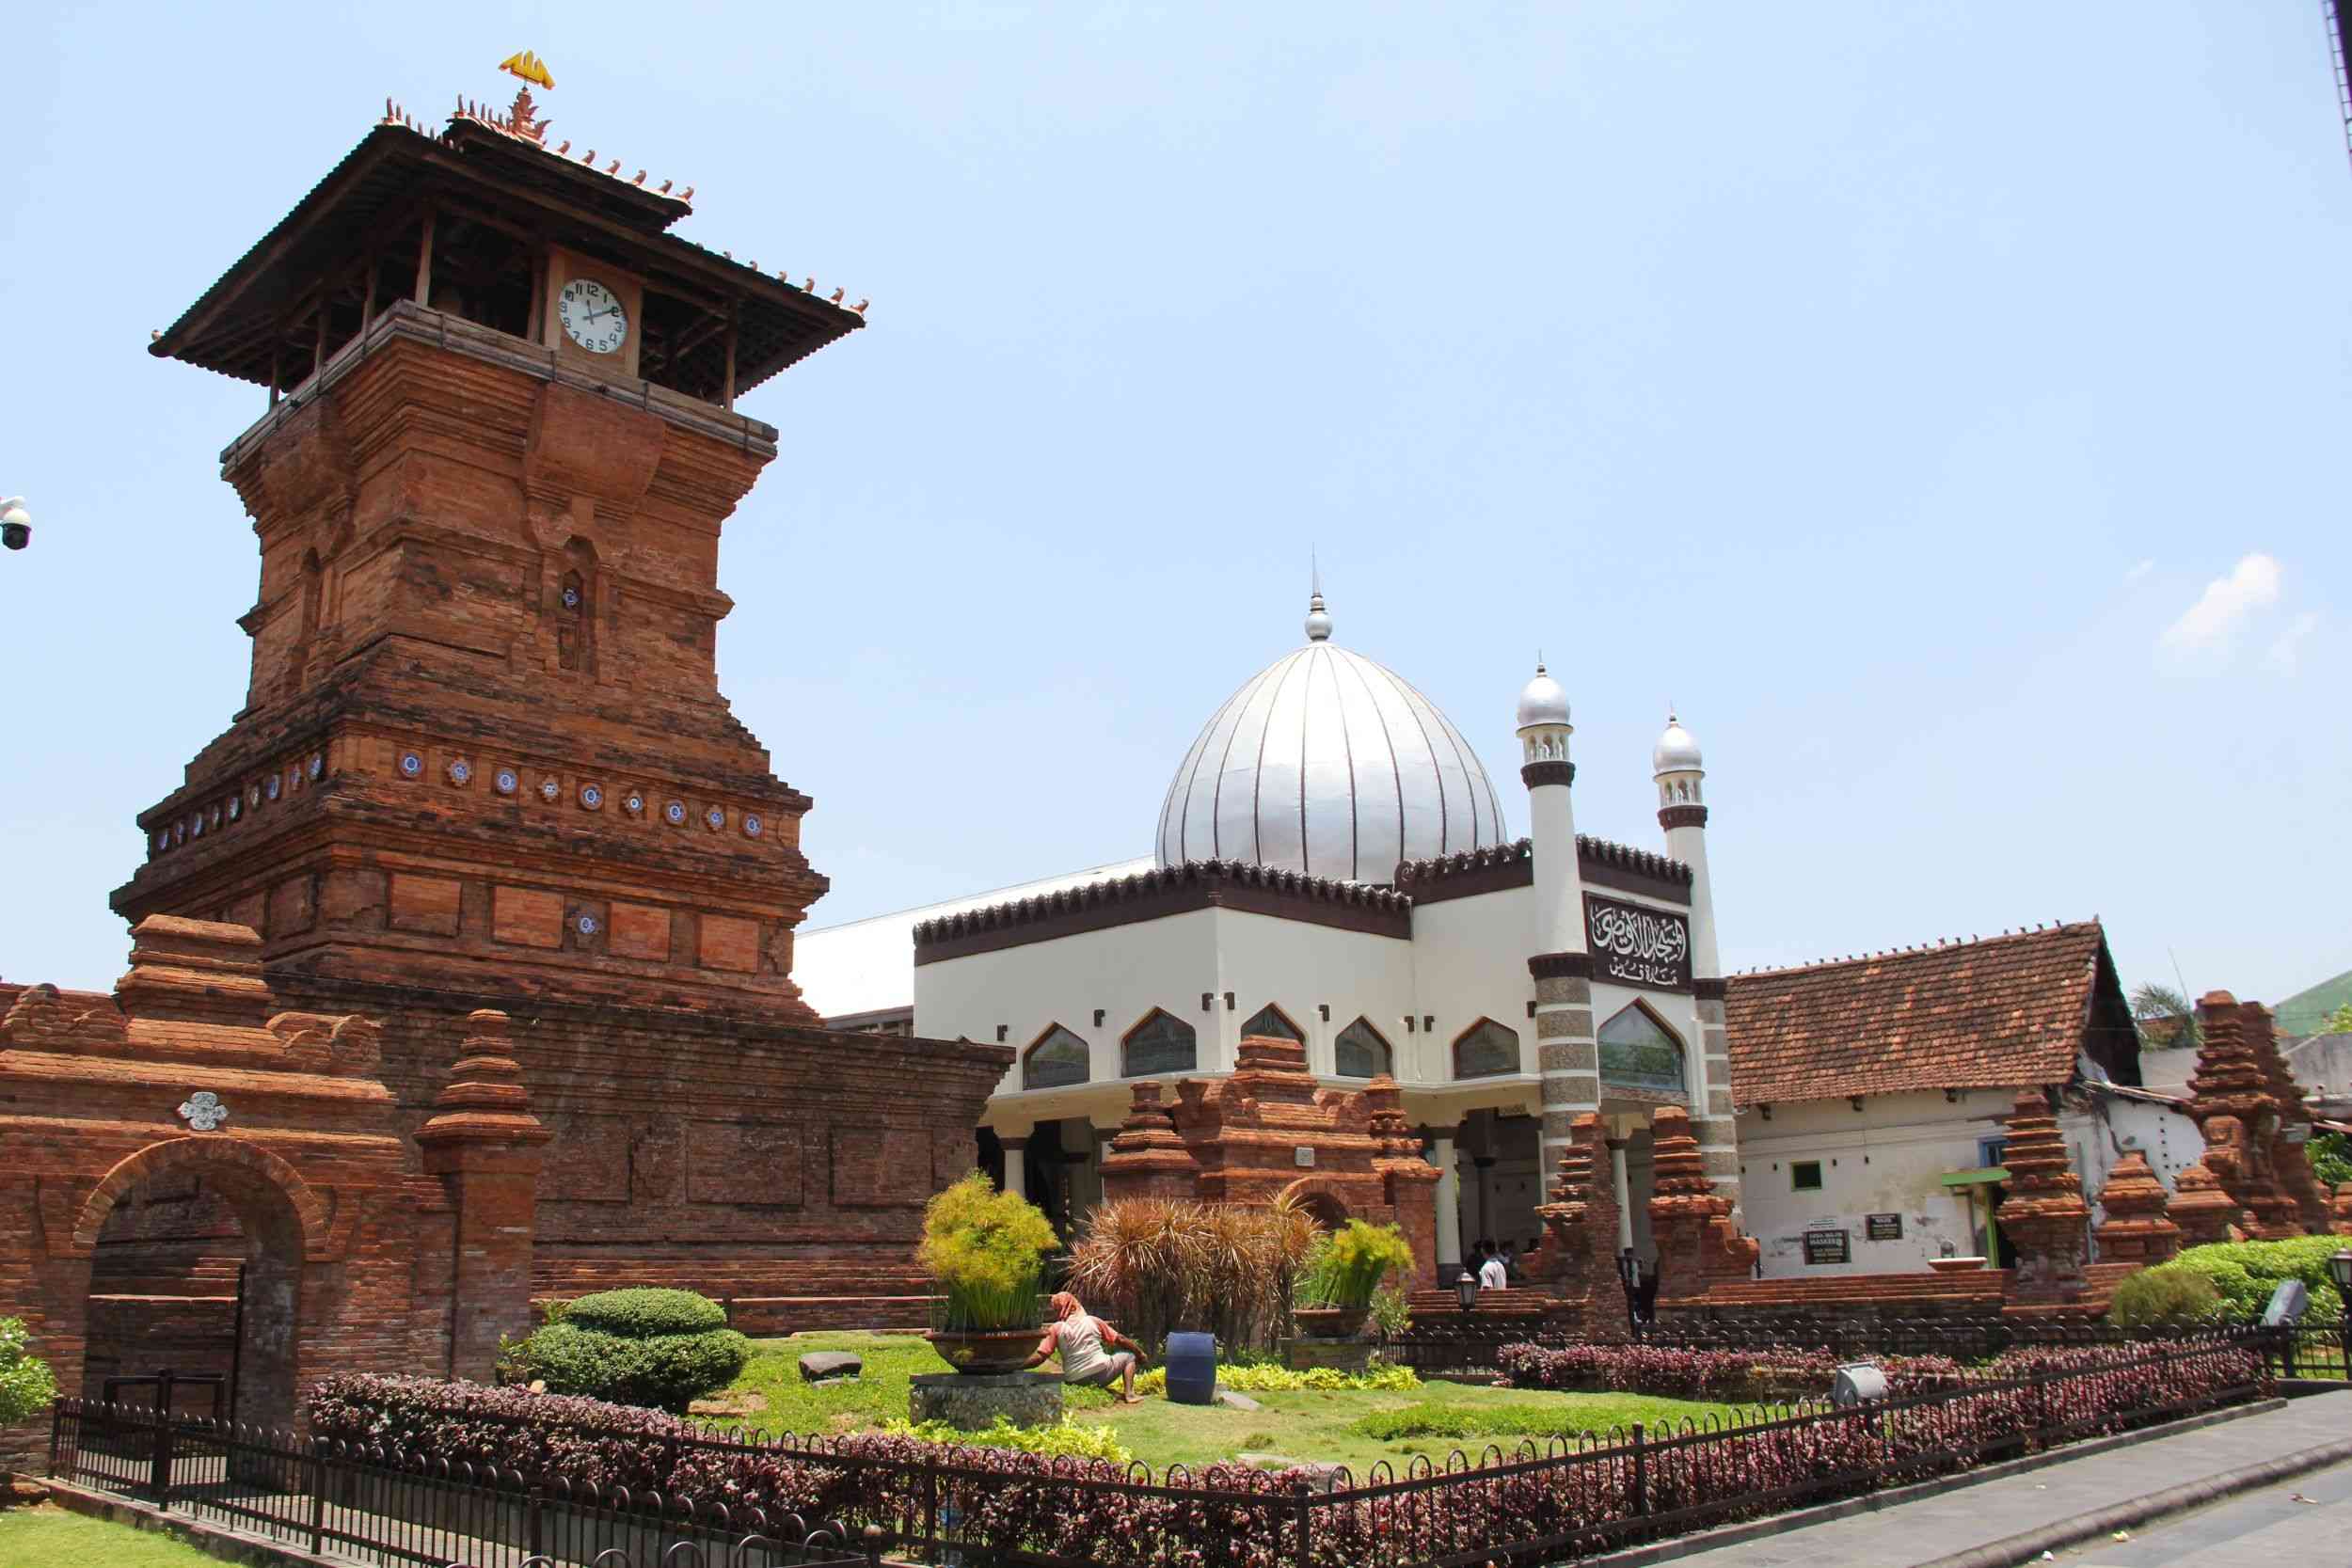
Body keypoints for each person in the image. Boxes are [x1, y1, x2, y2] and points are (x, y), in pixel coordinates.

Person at [1025, 1291, 1149, 1402]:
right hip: (1102, 1374)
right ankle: (1130, 1394)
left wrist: (1017, 1365)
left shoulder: (1056, 1328)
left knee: (1085, 1375)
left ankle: (1106, 1391)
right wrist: (1140, 1353)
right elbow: (1120, 1339)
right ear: (1074, 1303)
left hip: (1075, 1380)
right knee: (1129, 1357)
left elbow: (1040, 1357)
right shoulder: (1092, 1321)